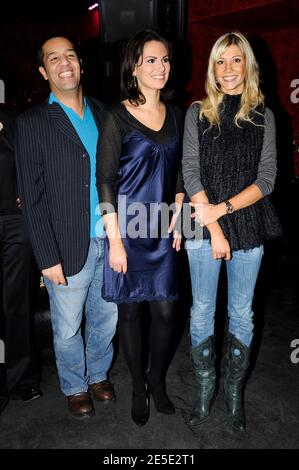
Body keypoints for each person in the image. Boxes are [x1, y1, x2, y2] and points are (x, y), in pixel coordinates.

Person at [182, 31, 282, 432]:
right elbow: (190, 171)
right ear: (212, 68)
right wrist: (215, 226)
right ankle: (205, 389)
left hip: (248, 223)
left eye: (235, 60)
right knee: (202, 311)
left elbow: (268, 179)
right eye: (220, 61)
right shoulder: (196, 112)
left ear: (248, 66)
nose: (227, 70)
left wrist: (223, 212)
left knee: (241, 313)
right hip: (204, 227)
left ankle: (234, 393)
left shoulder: (264, 115)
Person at [15, 37, 117, 419]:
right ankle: (75, 384)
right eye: (53, 58)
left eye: (70, 55)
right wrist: (46, 257)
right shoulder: (32, 123)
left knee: (107, 317)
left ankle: (98, 375)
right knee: (68, 325)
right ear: (44, 72)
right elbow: (32, 196)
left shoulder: (106, 113)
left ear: (81, 64)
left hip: (110, 238)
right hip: (66, 243)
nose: (64, 63)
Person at [97, 30, 184, 426]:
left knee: (166, 311)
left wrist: (179, 218)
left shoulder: (177, 113)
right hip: (127, 229)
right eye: (152, 60)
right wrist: (114, 241)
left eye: (164, 59)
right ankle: (137, 385)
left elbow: (181, 172)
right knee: (130, 314)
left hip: (163, 229)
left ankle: (157, 380)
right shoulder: (116, 116)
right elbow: (105, 181)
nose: (161, 67)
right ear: (135, 67)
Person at [0, 105, 41, 415]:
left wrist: (30, 191)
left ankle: (21, 378)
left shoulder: (13, 119)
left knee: (18, 301)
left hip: (16, 222)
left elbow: (36, 161)